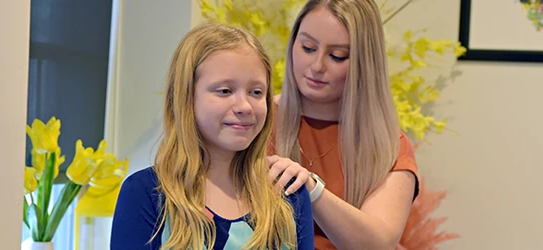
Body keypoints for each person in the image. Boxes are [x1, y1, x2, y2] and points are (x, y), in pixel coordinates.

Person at [110, 22, 314, 250]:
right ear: (186, 97)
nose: (245, 106)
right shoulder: (145, 194)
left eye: (256, 92)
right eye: (225, 91)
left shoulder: (288, 194)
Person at [267, 0, 420, 249]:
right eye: (307, 47)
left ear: (365, 64)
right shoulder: (256, 121)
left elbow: (377, 244)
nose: (317, 66)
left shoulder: (389, 147)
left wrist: (311, 191)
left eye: (337, 56)